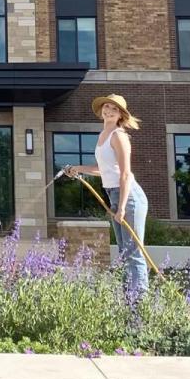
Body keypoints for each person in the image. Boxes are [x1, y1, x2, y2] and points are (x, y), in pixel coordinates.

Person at [66, 93, 149, 294]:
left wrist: (121, 207)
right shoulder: (103, 135)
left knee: (133, 252)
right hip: (115, 195)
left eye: (114, 109)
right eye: (107, 107)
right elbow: (105, 168)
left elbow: (125, 173)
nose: (109, 111)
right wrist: (78, 169)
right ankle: (129, 297)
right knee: (123, 252)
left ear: (121, 115)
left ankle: (140, 303)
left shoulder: (119, 136)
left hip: (128, 197)